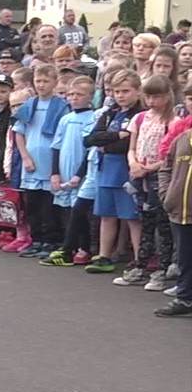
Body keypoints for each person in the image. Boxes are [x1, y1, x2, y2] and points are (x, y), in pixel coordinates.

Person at [83, 69, 145, 275]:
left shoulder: (140, 115)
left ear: (137, 91)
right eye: (116, 91)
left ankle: (139, 260)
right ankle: (104, 256)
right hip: (106, 171)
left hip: (126, 172)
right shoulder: (110, 113)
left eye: (125, 91)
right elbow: (90, 139)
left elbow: (131, 143)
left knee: (132, 218)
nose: (120, 95)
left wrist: (108, 143)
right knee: (106, 215)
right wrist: (116, 136)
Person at [120, 75, 177, 289]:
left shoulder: (172, 121)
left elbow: (170, 155)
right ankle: (140, 265)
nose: (152, 101)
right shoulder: (140, 118)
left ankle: (162, 268)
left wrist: (151, 168)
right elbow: (132, 147)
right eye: (149, 96)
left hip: (158, 176)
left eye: (157, 97)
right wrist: (134, 163)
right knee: (145, 221)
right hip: (139, 174)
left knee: (162, 223)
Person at [11, 64, 70, 256]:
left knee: (49, 205)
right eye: (38, 81)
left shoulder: (61, 106)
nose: (41, 85)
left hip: (50, 162)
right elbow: (19, 133)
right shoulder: (29, 105)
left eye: (46, 81)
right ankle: (35, 239)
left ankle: (50, 241)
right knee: (33, 205)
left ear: (54, 82)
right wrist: (25, 157)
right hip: (32, 164)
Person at [41, 76, 96, 266]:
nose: (74, 98)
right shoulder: (65, 119)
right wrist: (55, 172)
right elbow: (56, 146)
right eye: (70, 94)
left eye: (79, 94)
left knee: (80, 211)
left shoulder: (94, 118)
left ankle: (84, 247)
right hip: (64, 170)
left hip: (82, 172)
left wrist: (79, 174)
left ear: (90, 96)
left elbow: (91, 150)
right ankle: (69, 247)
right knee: (66, 209)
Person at [157, 114, 192, 315]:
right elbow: (166, 168)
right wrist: (166, 195)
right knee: (185, 258)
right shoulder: (182, 139)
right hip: (180, 210)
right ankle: (185, 298)